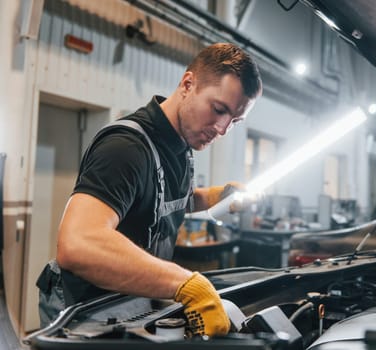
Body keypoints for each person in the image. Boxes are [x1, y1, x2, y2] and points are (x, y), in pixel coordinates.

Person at [36, 43, 262, 336]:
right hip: (85, 312)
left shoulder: (180, 145)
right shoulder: (125, 147)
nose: (221, 129)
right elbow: (78, 243)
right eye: (219, 110)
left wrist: (216, 196)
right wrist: (184, 283)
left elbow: (158, 201)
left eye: (235, 121)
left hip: (129, 303)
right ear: (187, 84)